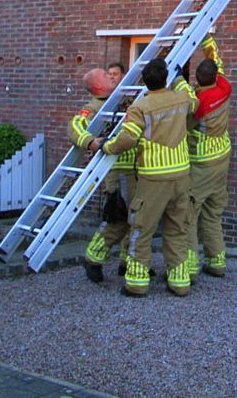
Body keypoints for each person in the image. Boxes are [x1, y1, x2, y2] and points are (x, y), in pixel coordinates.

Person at [97, 58, 197, 297]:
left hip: (153, 179)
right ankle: (180, 282)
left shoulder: (140, 107)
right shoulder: (181, 98)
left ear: (143, 81)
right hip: (181, 176)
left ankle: (137, 283)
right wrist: (179, 76)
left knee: (141, 229)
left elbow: (128, 139)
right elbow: (194, 101)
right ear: (165, 79)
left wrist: (106, 147)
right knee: (177, 229)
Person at [68, 68, 139, 284]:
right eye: (106, 76)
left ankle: (127, 262)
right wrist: (90, 142)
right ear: (98, 86)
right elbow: (74, 127)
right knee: (119, 220)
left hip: (136, 169)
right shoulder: (93, 108)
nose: (112, 76)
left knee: (136, 219)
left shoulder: (123, 100)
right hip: (117, 173)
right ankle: (93, 258)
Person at [186, 34, 233, 279]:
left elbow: (182, 127)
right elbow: (216, 58)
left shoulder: (199, 102)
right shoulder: (225, 87)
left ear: (197, 79)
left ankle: (191, 269)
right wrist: (205, 37)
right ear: (216, 77)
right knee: (213, 213)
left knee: (189, 215)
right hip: (222, 156)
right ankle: (217, 262)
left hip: (202, 162)